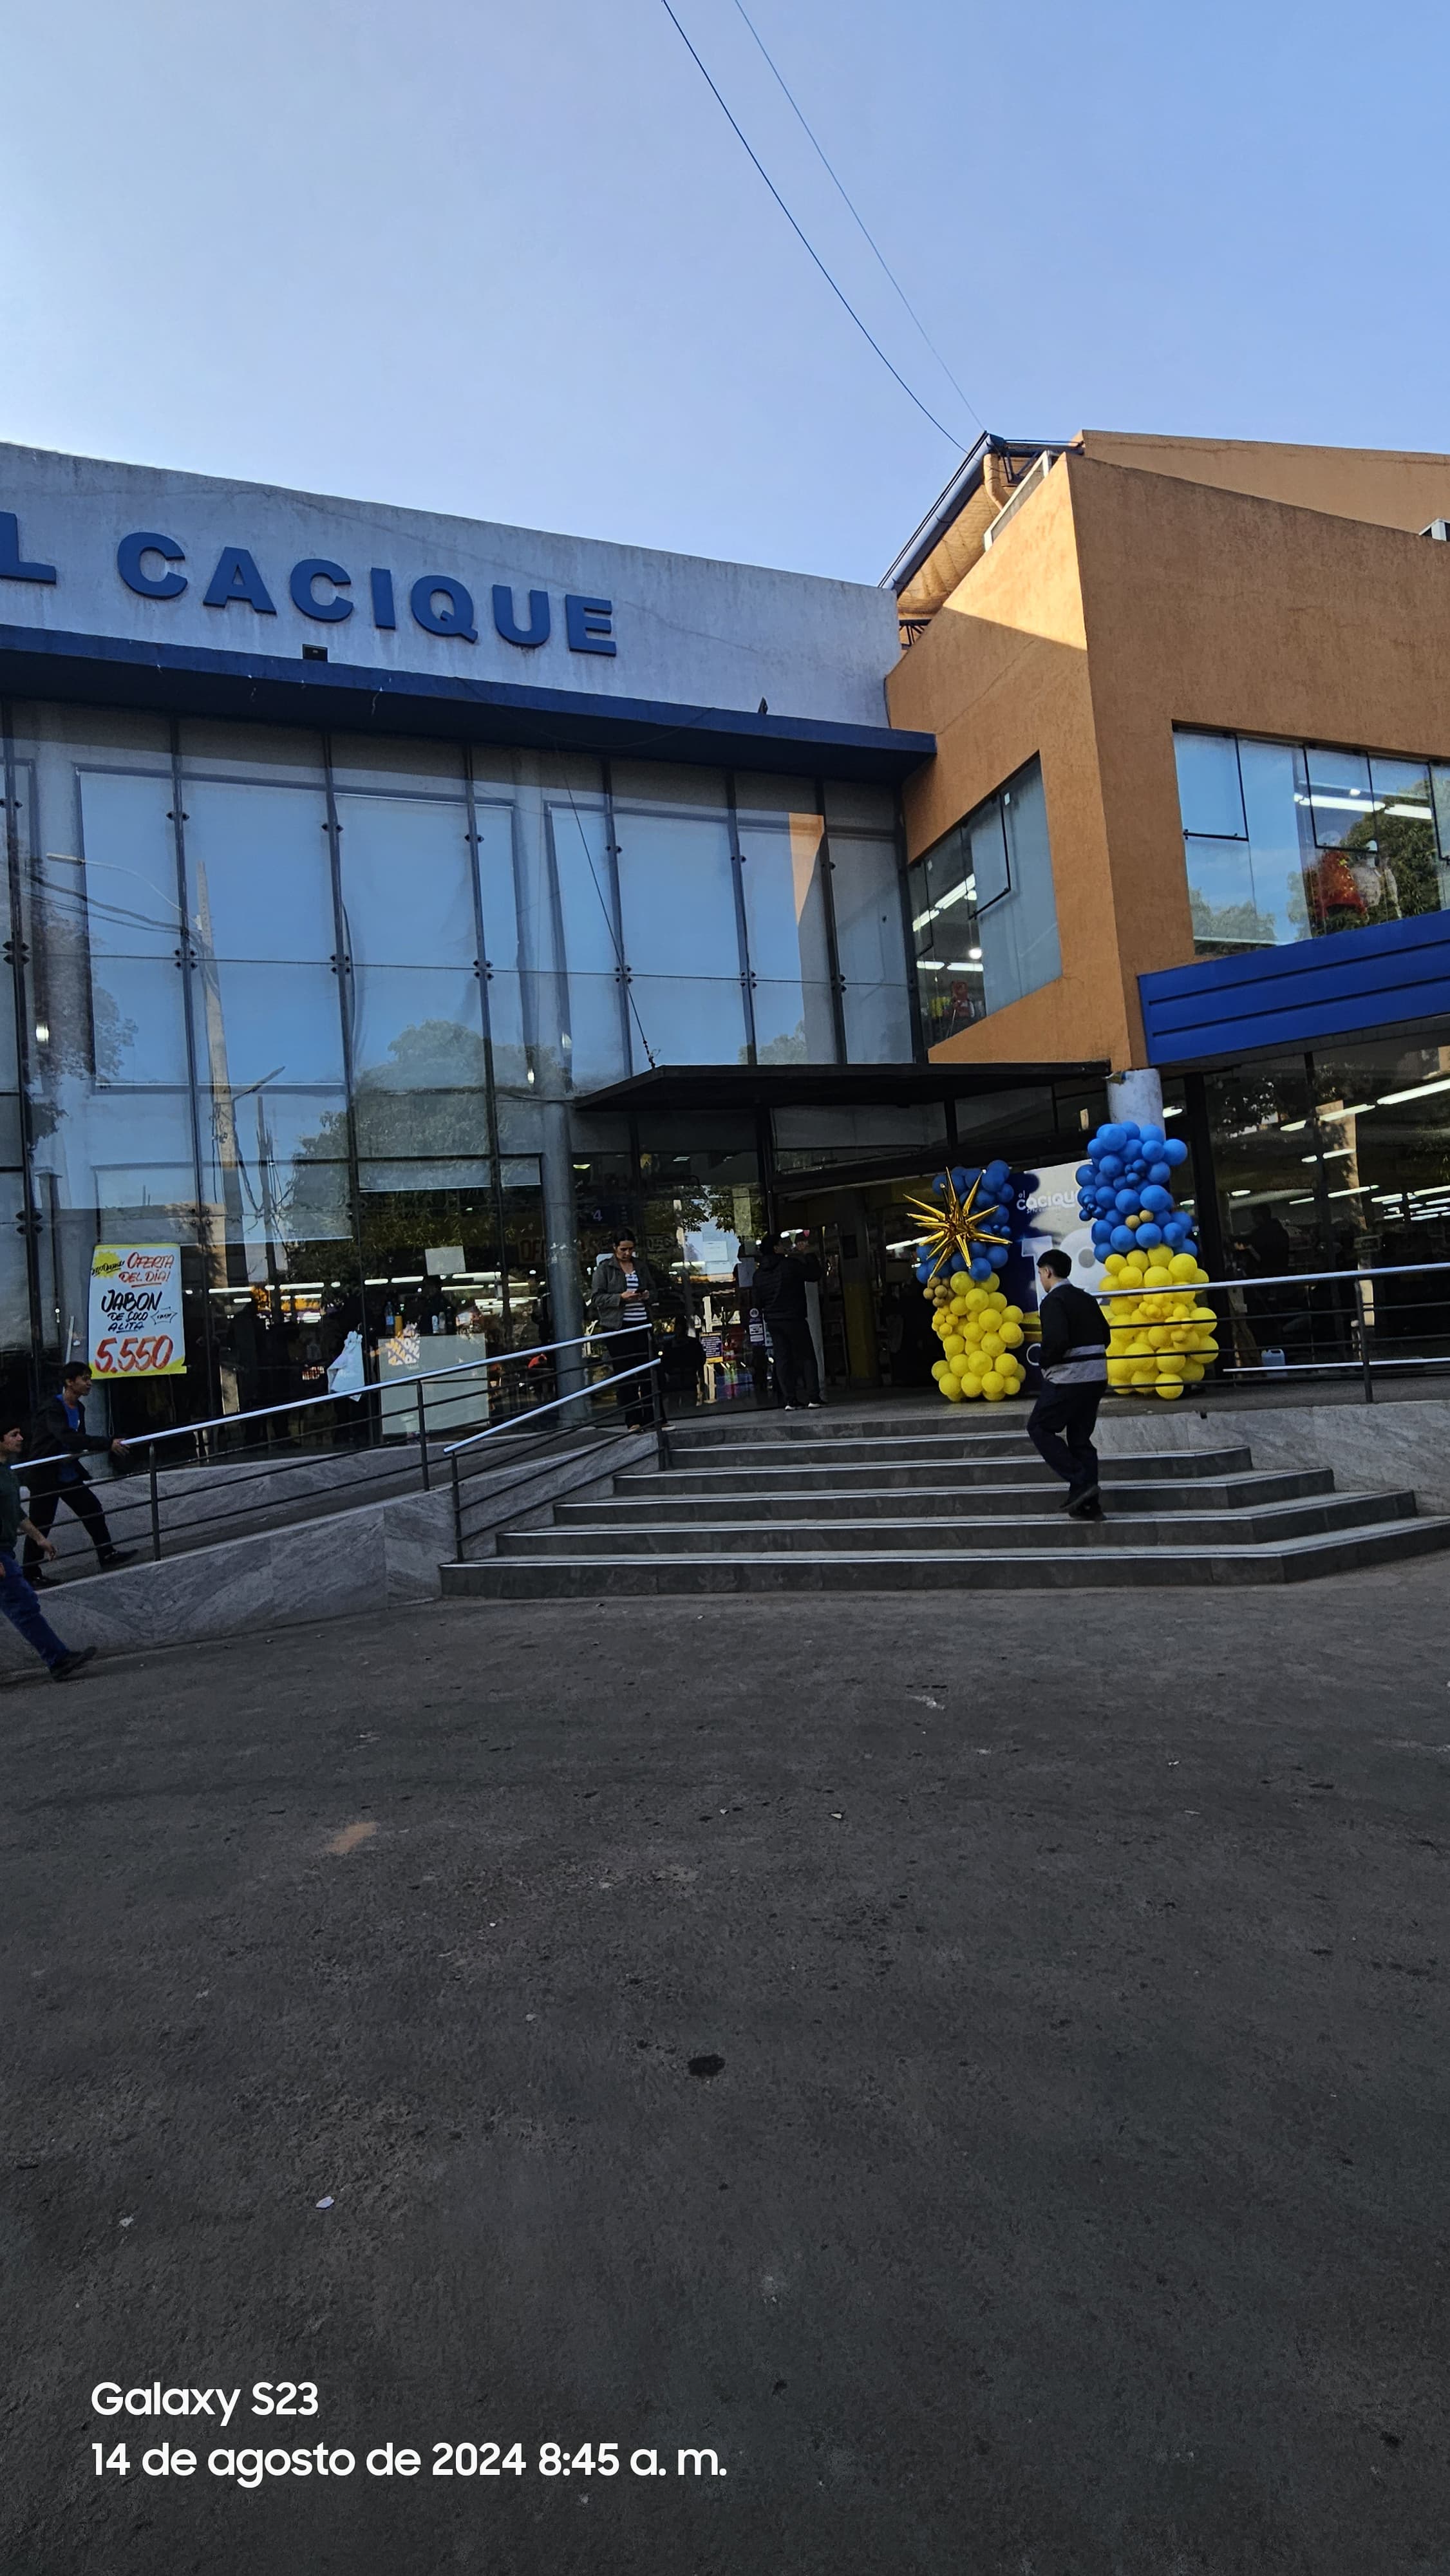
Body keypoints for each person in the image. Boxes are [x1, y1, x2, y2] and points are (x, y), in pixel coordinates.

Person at [24, 1365, 136, 1584]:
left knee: (92, 1508)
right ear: (69, 1382)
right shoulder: (52, 1409)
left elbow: (77, 1439)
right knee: (41, 1522)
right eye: (84, 1379)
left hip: (67, 1473)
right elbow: (67, 1436)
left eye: (89, 1379)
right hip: (46, 1476)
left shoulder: (79, 1408)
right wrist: (106, 1443)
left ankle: (107, 1553)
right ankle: (30, 1573)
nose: (89, 1383)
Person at [0, 1423, 96, 1680]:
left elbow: (15, 1512)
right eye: (13, 1435)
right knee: (23, 1605)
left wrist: (39, 1538)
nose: (21, 1438)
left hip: (6, 1550)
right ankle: (58, 1659)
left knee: (22, 1604)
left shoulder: (7, 1472)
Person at [1028, 1248, 1110, 1519]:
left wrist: (1045, 1362)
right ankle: (1089, 1505)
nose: (1041, 1278)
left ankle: (1081, 1480)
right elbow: (1106, 1335)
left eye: (1041, 1273)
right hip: (1096, 1377)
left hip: (1069, 1378)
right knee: (1080, 1439)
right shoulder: (1086, 1298)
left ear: (1048, 1272)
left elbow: (1057, 1340)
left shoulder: (1053, 1301)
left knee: (1039, 1427)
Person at [588, 1231, 661, 1428]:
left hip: (642, 1323)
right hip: (618, 1328)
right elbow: (596, 1298)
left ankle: (654, 1417)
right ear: (615, 1248)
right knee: (626, 1373)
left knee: (648, 1373)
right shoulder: (605, 1269)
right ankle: (633, 1419)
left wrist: (647, 1295)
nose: (627, 1253)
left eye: (631, 1249)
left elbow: (654, 1291)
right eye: (623, 1249)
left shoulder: (640, 1266)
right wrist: (620, 1298)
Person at [751, 1232, 824, 1409]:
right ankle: (813, 1397)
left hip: (773, 1320)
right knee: (806, 1356)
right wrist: (807, 1254)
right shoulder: (789, 1265)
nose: (785, 1247)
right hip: (793, 1316)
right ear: (776, 1248)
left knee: (783, 1358)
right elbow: (814, 1274)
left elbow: (757, 1302)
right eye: (781, 1244)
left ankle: (790, 1399)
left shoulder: (758, 1274)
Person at [660, 1316, 708, 1407]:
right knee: (677, 1408)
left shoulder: (693, 1344)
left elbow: (701, 1360)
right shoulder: (670, 1346)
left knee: (686, 1407)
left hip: (688, 1380)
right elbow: (664, 1364)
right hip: (677, 1382)